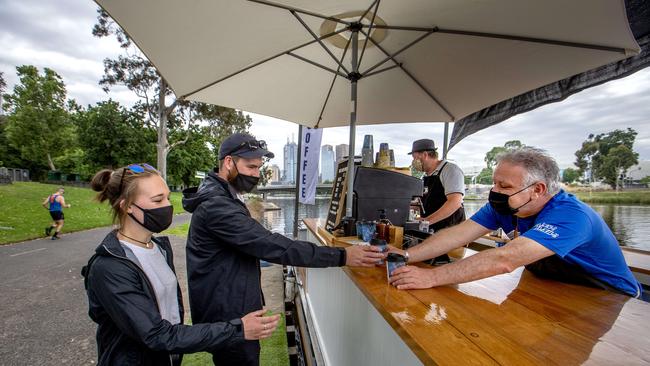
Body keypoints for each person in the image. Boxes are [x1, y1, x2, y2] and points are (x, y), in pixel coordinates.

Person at [183, 133, 386, 366]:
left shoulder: (222, 197)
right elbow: (273, 245)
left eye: (258, 168)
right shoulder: (217, 206)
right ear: (229, 162)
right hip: (229, 315)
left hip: (228, 306)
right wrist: (343, 255)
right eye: (251, 167)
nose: (256, 175)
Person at [81, 163, 280, 366]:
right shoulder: (109, 268)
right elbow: (157, 334)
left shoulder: (158, 248)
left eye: (167, 197)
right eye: (158, 200)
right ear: (126, 206)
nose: (167, 206)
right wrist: (239, 329)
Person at [390, 147, 642, 298]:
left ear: (537, 189)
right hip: (550, 288)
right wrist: (406, 255)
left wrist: (431, 278)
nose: (495, 191)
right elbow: (457, 235)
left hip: (607, 295)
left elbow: (505, 259)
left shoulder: (572, 217)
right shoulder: (506, 205)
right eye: (495, 182)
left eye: (504, 186)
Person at [409, 139, 465, 232]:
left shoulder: (450, 170)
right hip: (432, 229)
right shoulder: (425, 176)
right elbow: (424, 204)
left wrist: (426, 221)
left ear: (425, 155)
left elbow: (455, 202)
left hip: (451, 229)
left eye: (415, 158)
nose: (413, 161)